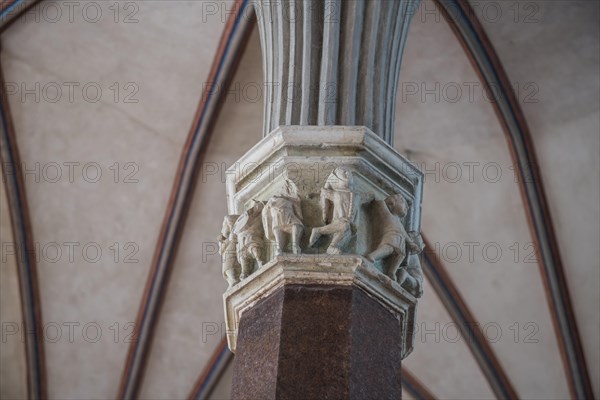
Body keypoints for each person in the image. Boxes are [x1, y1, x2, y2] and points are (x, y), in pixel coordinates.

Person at [262, 179, 304, 255]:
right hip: (278, 219)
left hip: (289, 217)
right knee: (277, 229)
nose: (286, 190)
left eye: (287, 189)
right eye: (285, 189)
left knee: (297, 225)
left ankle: (295, 245)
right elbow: (266, 212)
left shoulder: (291, 199)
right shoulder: (272, 200)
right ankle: (279, 248)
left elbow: (297, 205)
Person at [232, 201, 266, 279]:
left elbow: (260, 208)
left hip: (251, 236)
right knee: (242, 255)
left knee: (253, 246)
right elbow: (236, 228)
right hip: (241, 239)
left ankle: (260, 261)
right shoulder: (244, 218)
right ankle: (244, 271)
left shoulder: (259, 216)